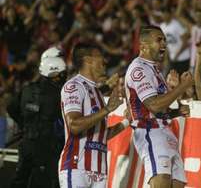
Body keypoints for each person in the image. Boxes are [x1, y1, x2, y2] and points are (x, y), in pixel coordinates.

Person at [125, 26, 193, 188]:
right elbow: (154, 105)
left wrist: (176, 112)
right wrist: (182, 87)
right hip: (150, 132)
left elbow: (160, 109)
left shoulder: (154, 69)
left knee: (177, 185)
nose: (164, 44)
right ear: (143, 46)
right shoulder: (139, 69)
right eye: (159, 40)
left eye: (164, 40)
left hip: (165, 131)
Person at [58, 43, 129, 188]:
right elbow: (74, 125)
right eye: (100, 57)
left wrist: (127, 121)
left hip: (99, 171)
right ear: (88, 60)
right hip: (76, 168)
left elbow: (100, 135)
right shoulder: (73, 86)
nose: (105, 61)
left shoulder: (97, 92)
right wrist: (106, 110)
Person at [7, 56, 67, 188]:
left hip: (27, 143)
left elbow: (10, 108)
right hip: (47, 147)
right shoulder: (58, 94)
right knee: (49, 181)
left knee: (20, 179)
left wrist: (24, 124)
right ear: (56, 75)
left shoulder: (27, 89)